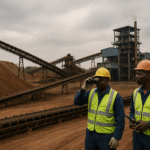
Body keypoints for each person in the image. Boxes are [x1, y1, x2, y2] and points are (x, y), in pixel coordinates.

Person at [74, 67, 125, 150]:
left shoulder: (115, 96)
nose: (98, 83)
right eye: (96, 80)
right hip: (91, 135)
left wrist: (116, 137)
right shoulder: (91, 93)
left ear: (108, 80)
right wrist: (84, 87)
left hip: (106, 136)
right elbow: (77, 101)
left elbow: (120, 118)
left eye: (101, 80)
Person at [129, 59, 150, 150]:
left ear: (148, 76)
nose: (136, 76)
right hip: (137, 136)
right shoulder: (135, 93)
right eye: (136, 74)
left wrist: (148, 124)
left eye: (140, 74)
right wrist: (132, 119)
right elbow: (132, 110)